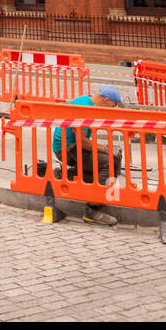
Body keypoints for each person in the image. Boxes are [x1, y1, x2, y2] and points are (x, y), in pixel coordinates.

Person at [51, 85, 123, 227]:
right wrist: (105, 149)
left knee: (111, 162)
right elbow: (82, 141)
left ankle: (66, 176)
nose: (112, 109)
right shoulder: (86, 109)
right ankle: (92, 210)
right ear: (107, 100)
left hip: (70, 145)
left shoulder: (88, 100)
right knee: (108, 162)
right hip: (67, 149)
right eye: (113, 106)